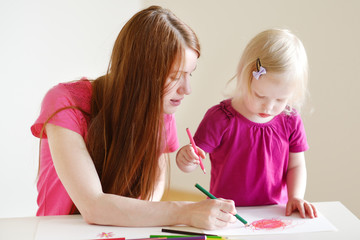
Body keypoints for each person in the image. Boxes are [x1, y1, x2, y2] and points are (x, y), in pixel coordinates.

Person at [31, 5, 237, 230]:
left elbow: (153, 187)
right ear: (140, 73)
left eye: (190, 74)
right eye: (175, 76)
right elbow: (93, 206)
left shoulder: (161, 110)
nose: (186, 89)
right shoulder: (64, 101)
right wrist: (186, 211)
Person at [176, 29, 318, 219]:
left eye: (280, 100)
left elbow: (296, 166)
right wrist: (185, 159)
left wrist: (296, 197)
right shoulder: (220, 118)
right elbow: (192, 162)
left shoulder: (290, 120)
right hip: (227, 214)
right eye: (260, 95)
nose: (268, 107)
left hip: (276, 213)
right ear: (244, 77)